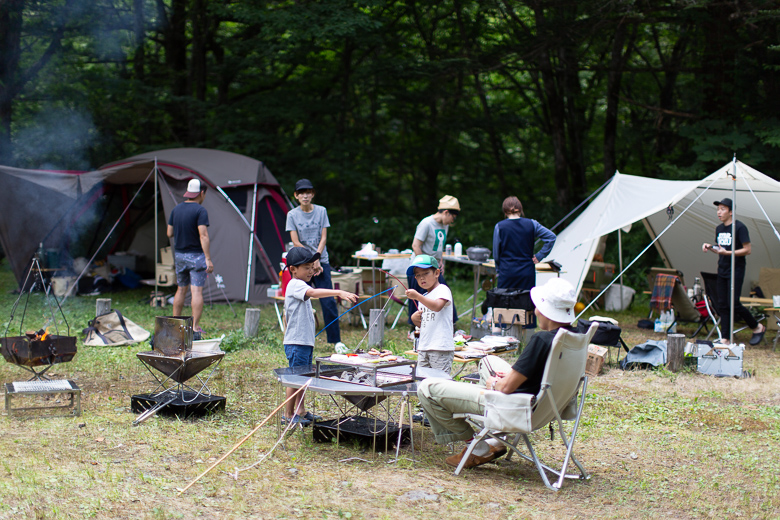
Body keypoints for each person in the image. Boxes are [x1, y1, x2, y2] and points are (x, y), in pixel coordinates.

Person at [417, 277, 578, 469]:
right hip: (545, 404)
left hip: (515, 405)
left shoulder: (541, 340)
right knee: (486, 360)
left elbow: (506, 388)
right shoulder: (574, 336)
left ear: (545, 311)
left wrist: (494, 383)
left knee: (426, 388)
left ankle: (476, 447)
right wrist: (510, 377)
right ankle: (497, 437)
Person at [283, 247, 358, 426]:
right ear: (293, 269)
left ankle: (300, 410)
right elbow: (313, 293)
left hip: (304, 342)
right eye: (306, 267)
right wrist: (338, 292)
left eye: (312, 267)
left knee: (303, 376)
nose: (311, 271)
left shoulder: (301, 285)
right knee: (295, 378)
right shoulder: (296, 284)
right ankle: (287, 414)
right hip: (296, 343)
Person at [285, 178, 346, 351]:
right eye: (301, 193)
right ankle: (290, 338)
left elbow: (324, 237)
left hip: (322, 261)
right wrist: (311, 260)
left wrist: (317, 258)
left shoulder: (321, 211)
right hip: (302, 263)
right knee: (296, 300)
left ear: (312, 194)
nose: (305, 196)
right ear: (296, 196)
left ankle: (336, 341)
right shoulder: (292, 215)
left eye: (308, 192)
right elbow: (295, 241)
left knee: (328, 302)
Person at [702, 198, 765, 345]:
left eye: (723, 209)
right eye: (718, 209)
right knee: (723, 304)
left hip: (736, 269)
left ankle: (757, 327)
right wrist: (710, 247)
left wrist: (728, 253)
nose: (719, 212)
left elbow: (747, 250)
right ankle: (726, 338)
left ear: (731, 212)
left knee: (734, 303)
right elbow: (721, 249)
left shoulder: (739, 227)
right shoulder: (719, 228)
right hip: (722, 268)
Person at [167, 179, 213, 333]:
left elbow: (169, 233)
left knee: (180, 290)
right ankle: (194, 327)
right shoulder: (200, 211)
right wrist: (208, 259)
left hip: (179, 256)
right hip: (196, 257)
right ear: (202, 193)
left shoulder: (176, 210)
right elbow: (204, 235)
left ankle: (175, 324)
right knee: (196, 292)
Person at [407, 195, 459, 331]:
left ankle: (450, 325)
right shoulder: (426, 223)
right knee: (416, 298)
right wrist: (425, 265)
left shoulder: (444, 225)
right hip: (420, 268)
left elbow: (439, 246)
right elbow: (415, 245)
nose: (452, 221)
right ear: (446, 212)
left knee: (443, 293)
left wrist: (440, 261)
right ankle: (413, 330)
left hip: (434, 267)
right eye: (453, 217)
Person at [493, 196, 556, 290]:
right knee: (525, 302)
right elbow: (551, 237)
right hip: (527, 272)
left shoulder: (499, 226)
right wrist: (540, 256)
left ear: (505, 211)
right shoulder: (532, 224)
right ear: (520, 209)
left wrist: (499, 268)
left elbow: (496, 253)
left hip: (507, 272)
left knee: (504, 302)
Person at [406, 255, 455, 374]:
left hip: (440, 348)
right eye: (418, 275)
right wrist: (414, 318)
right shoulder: (424, 297)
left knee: (439, 383)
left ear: (437, 273)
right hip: (424, 347)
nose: (422, 278)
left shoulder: (442, 289)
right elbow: (424, 324)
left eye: (426, 273)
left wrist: (418, 296)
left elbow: (437, 307)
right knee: (422, 381)